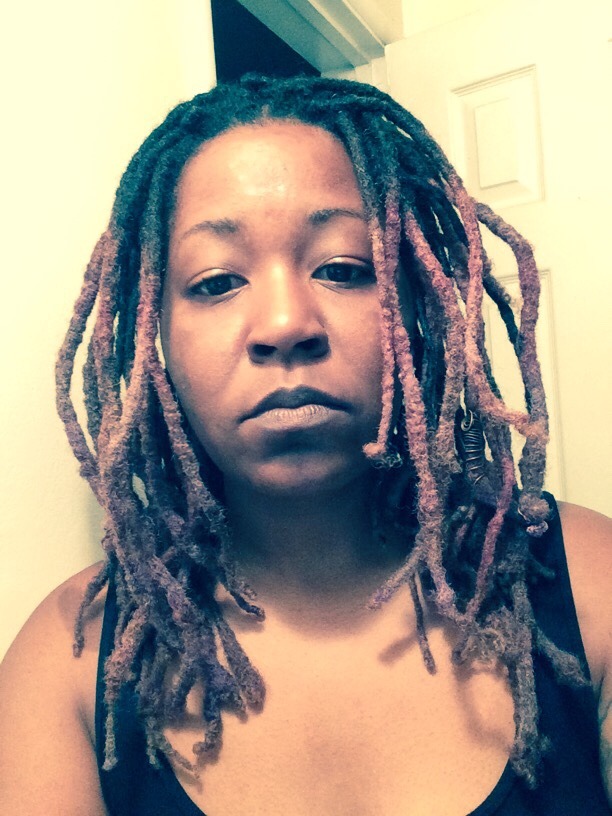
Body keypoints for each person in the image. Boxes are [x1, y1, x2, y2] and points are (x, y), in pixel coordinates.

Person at [0, 74, 609, 815]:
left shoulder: (591, 583)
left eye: (343, 269)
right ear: (153, 340)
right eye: (216, 281)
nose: (286, 323)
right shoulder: (65, 662)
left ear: (418, 306)